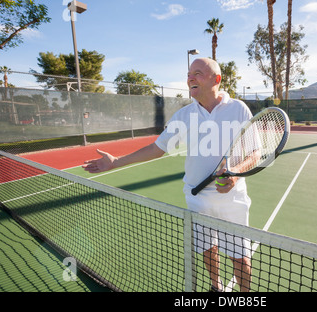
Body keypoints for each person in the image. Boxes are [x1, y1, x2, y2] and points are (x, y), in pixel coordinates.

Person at [83, 57, 253, 292]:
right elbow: (156, 148)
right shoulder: (184, 116)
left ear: (217, 79)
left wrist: (235, 173)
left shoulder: (238, 109)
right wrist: (115, 163)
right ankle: (217, 286)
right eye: (189, 73)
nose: (191, 77)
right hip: (197, 197)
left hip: (231, 199)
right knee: (207, 249)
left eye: (198, 73)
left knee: (240, 258)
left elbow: (255, 152)